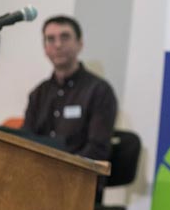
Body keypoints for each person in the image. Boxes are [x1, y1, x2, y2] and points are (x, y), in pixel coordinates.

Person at [22, 15, 117, 162]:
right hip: (39, 176)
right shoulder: (38, 94)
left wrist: (61, 169)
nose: (58, 45)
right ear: (45, 49)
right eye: (51, 39)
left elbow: (97, 149)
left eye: (65, 37)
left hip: (79, 177)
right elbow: (25, 141)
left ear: (80, 44)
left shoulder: (99, 91)